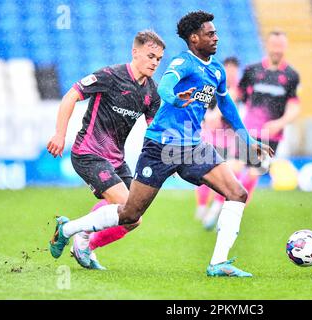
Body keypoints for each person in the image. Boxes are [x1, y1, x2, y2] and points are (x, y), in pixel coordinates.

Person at [48, 10, 274, 277]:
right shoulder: (182, 63)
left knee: (237, 193)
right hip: (161, 149)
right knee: (130, 213)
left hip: (192, 146)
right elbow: (166, 88)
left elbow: (225, 104)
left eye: (216, 33)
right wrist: (177, 99)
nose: (216, 37)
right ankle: (69, 231)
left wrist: (246, 139)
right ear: (194, 38)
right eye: (210, 33)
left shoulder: (216, 70)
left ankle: (218, 263)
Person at [46, 30, 165, 269]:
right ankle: (69, 230)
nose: (154, 62)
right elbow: (71, 96)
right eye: (151, 56)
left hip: (116, 160)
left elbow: (154, 132)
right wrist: (60, 134)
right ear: (135, 52)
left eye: (159, 59)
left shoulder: (152, 93)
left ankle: (85, 242)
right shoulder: (110, 76)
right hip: (88, 153)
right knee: (124, 205)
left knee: (134, 219)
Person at [201, 30, 301, 229]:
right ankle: (218, 207)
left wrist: (280, 123)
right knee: (232, 169)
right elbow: (234, 95)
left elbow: (294, 105)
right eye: (274, 45)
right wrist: (217, 115)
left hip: (271, 135)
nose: (277, 49)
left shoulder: (290, 75)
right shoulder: (252, 70)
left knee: (253, 174)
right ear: (268, 45)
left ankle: (234, 210)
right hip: (247, 132)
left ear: (285, 47)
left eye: (281, 45)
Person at [195, 56, 244, 228]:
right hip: (210, 139)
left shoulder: (241, 92)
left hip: (230, 142)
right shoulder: (215, 90)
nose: (231, 74)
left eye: (234, 71)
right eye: (228, 70)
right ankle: (202, 207)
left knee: (229, 175)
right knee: (205, 176)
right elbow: (210, 120)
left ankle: (215, 210)